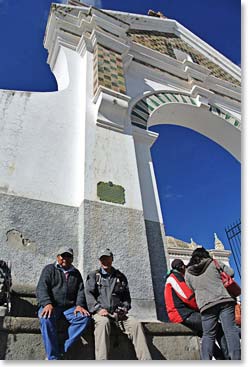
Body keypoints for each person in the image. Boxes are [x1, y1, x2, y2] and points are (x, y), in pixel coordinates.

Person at [85, 248, 151, 360]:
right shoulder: (93, 276)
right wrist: (98, 309)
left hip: (118, 314)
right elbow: (88, 295)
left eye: (107, 258)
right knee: (103, 323)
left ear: (112, 259)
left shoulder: (120, 277)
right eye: (102, 259)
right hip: (101, 313)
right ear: (99, 261)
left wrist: (124, 308)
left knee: (135, 324)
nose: (105, 261)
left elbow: (126, 298)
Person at [164, 258, 228, 360]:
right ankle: (228, 358)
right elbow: (188, 297)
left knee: (207, 334)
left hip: (184, 314)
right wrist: (202, 307)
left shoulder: (173, 277)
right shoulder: (174, 278)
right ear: (182, 267)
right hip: (182, 314)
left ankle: (220, 358)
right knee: (217, 327)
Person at [185, 247, 241, 360]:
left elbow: (190, 288)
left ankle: (206, 360)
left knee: (208, 335)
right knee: (230, 330)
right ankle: (236, 359)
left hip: (206, 306)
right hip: (223, 300)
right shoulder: (213, 262)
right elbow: (231, 272)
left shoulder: (188, 273)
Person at [36, 247, 90, 360]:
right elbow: (41, 288)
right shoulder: (49, 269)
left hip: (69, 308)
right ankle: (53, 358)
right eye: (63, 256)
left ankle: (60, 350)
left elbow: (81, 291)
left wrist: (80, 305)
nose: (65, 258)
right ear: (58, 257)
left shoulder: (76, 273)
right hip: (52, 306)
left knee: (84, 318)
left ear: (72, 258)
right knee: (45, 318)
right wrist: (47, 303)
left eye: (68, 256)